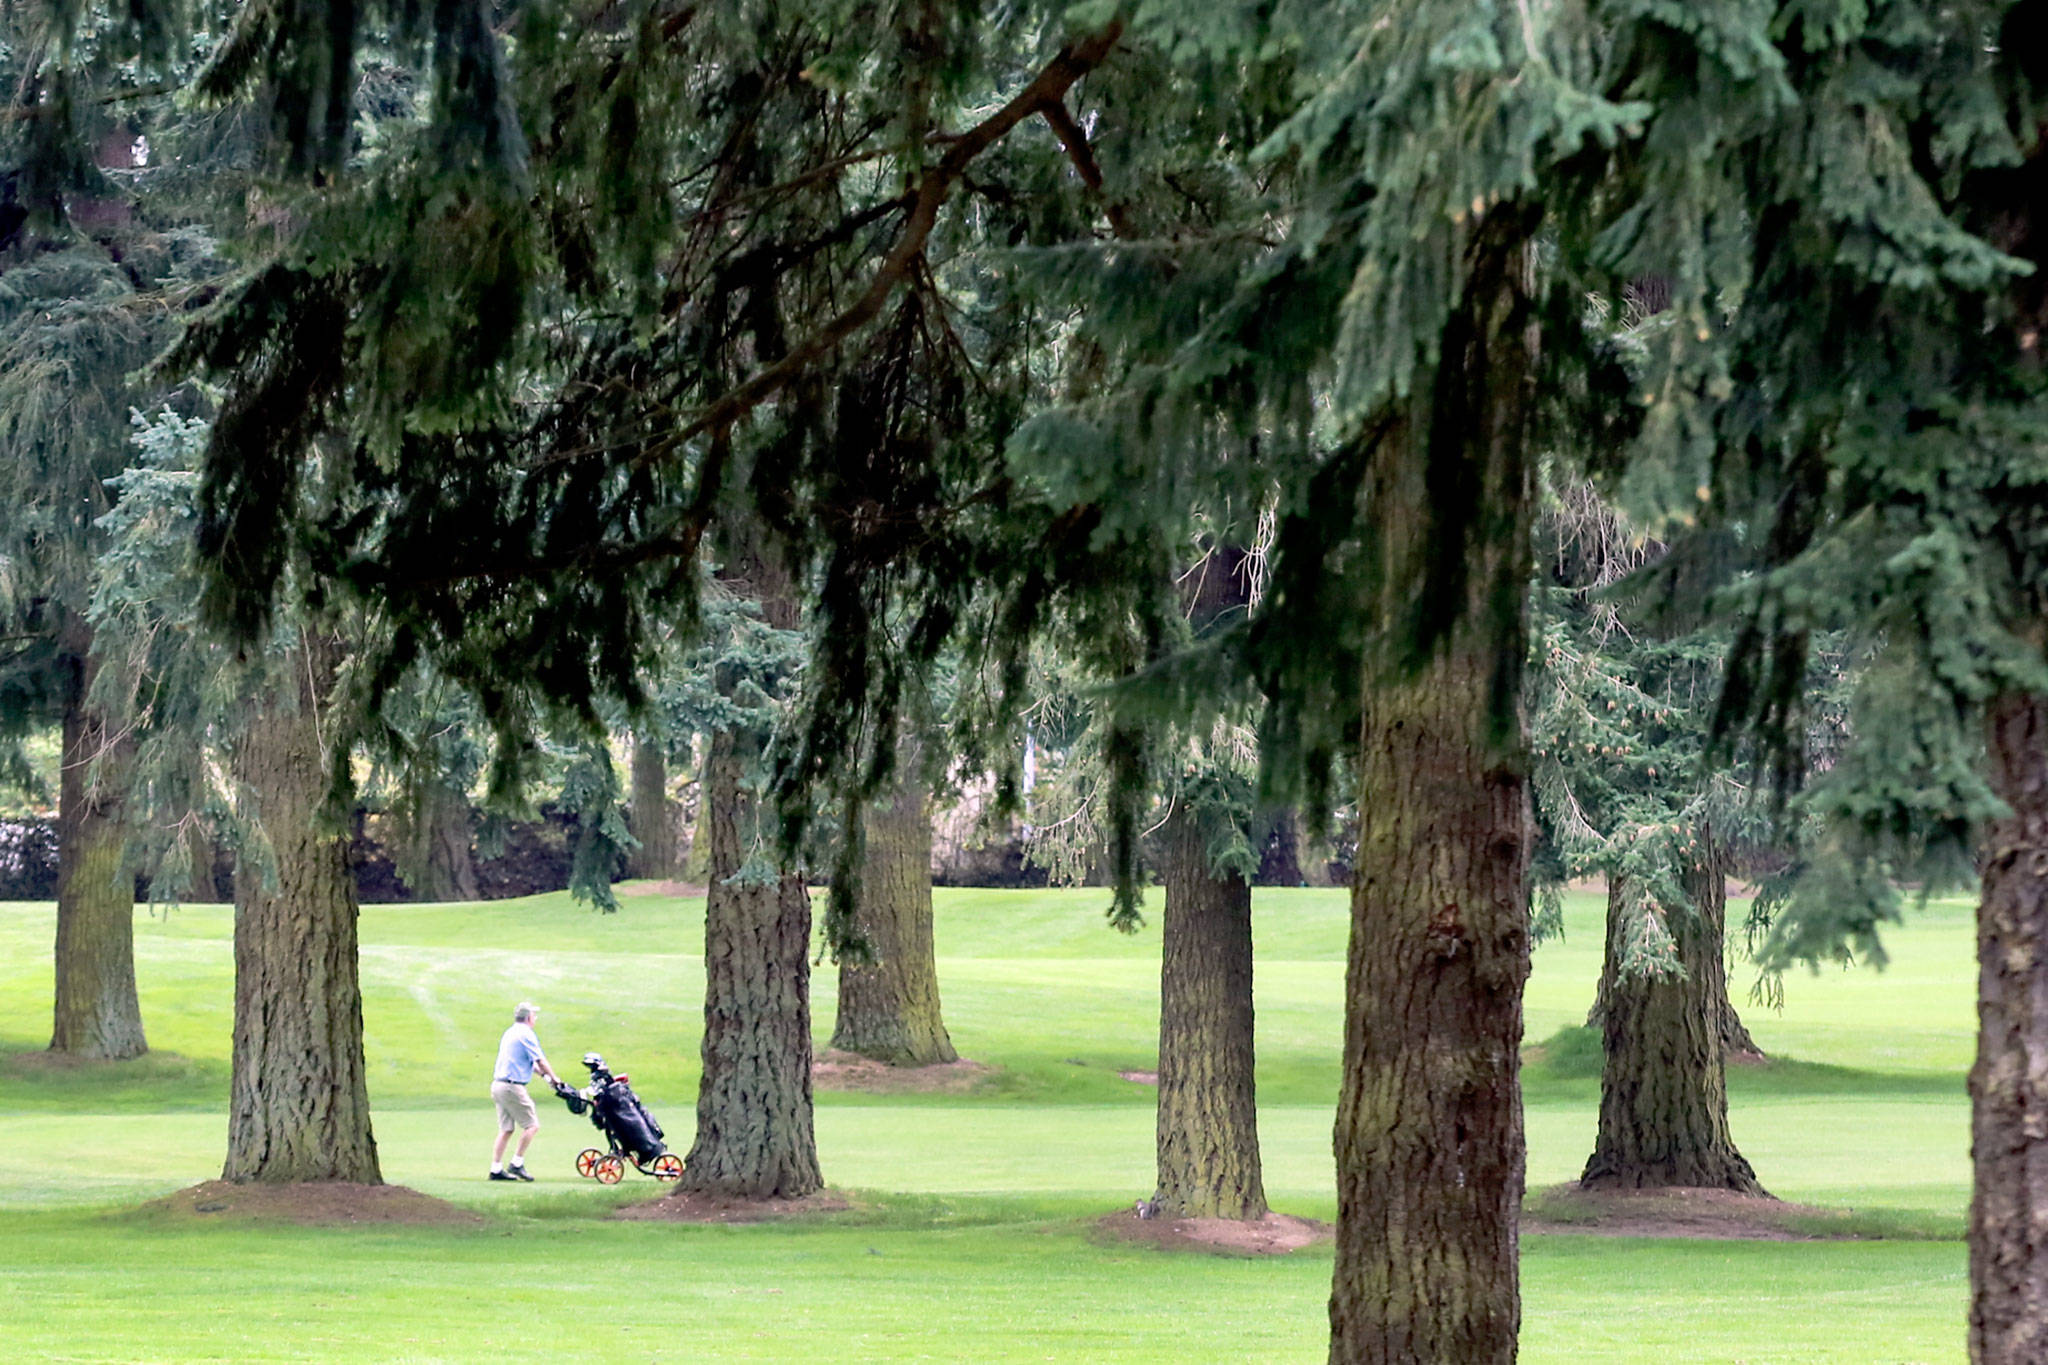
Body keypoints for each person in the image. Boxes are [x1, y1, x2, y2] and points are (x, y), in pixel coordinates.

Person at [489, 1001, 563, 1181]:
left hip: (498, 1085)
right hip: (512, 1087)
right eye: (534, 1016)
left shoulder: (511, 1032)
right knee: (532, 1125)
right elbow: (540, 1061)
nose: (535, 1019)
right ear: (528, 1018)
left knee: (506, 1129)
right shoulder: (526, 1034)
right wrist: (554, 1078)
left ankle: (496, 1169)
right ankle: (516, 1163)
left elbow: (526, 1063)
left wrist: (544, 1077)